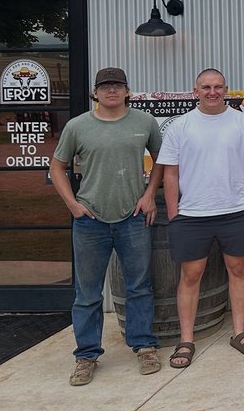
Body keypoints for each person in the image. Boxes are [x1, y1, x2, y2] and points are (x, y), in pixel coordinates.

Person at [51, 67, 163, 386]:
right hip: (90, 220)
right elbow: (57, 167)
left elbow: (162, 158)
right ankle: (86, 355)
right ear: (95, 93)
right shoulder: (78, 126)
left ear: (127, 91)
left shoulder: (144, 122)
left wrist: (149, 195)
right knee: (87, 293)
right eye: (105, 86)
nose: (111, 91)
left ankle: (144, 346)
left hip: (133, 217)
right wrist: (73, 204)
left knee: (139, 286)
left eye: (117, 86)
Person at [156, 68, 244, 367]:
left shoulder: (243, 123)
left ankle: (239, 332)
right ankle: (186, 339)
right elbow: (170, 172)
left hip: (235, 211)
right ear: (196, 91)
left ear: (226, 90)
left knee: (238, 271)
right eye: (206, 87)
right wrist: (174, 213)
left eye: (218, 87)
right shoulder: (180, 126)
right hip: (193, 214)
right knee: (190, 276)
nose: (212, 92)